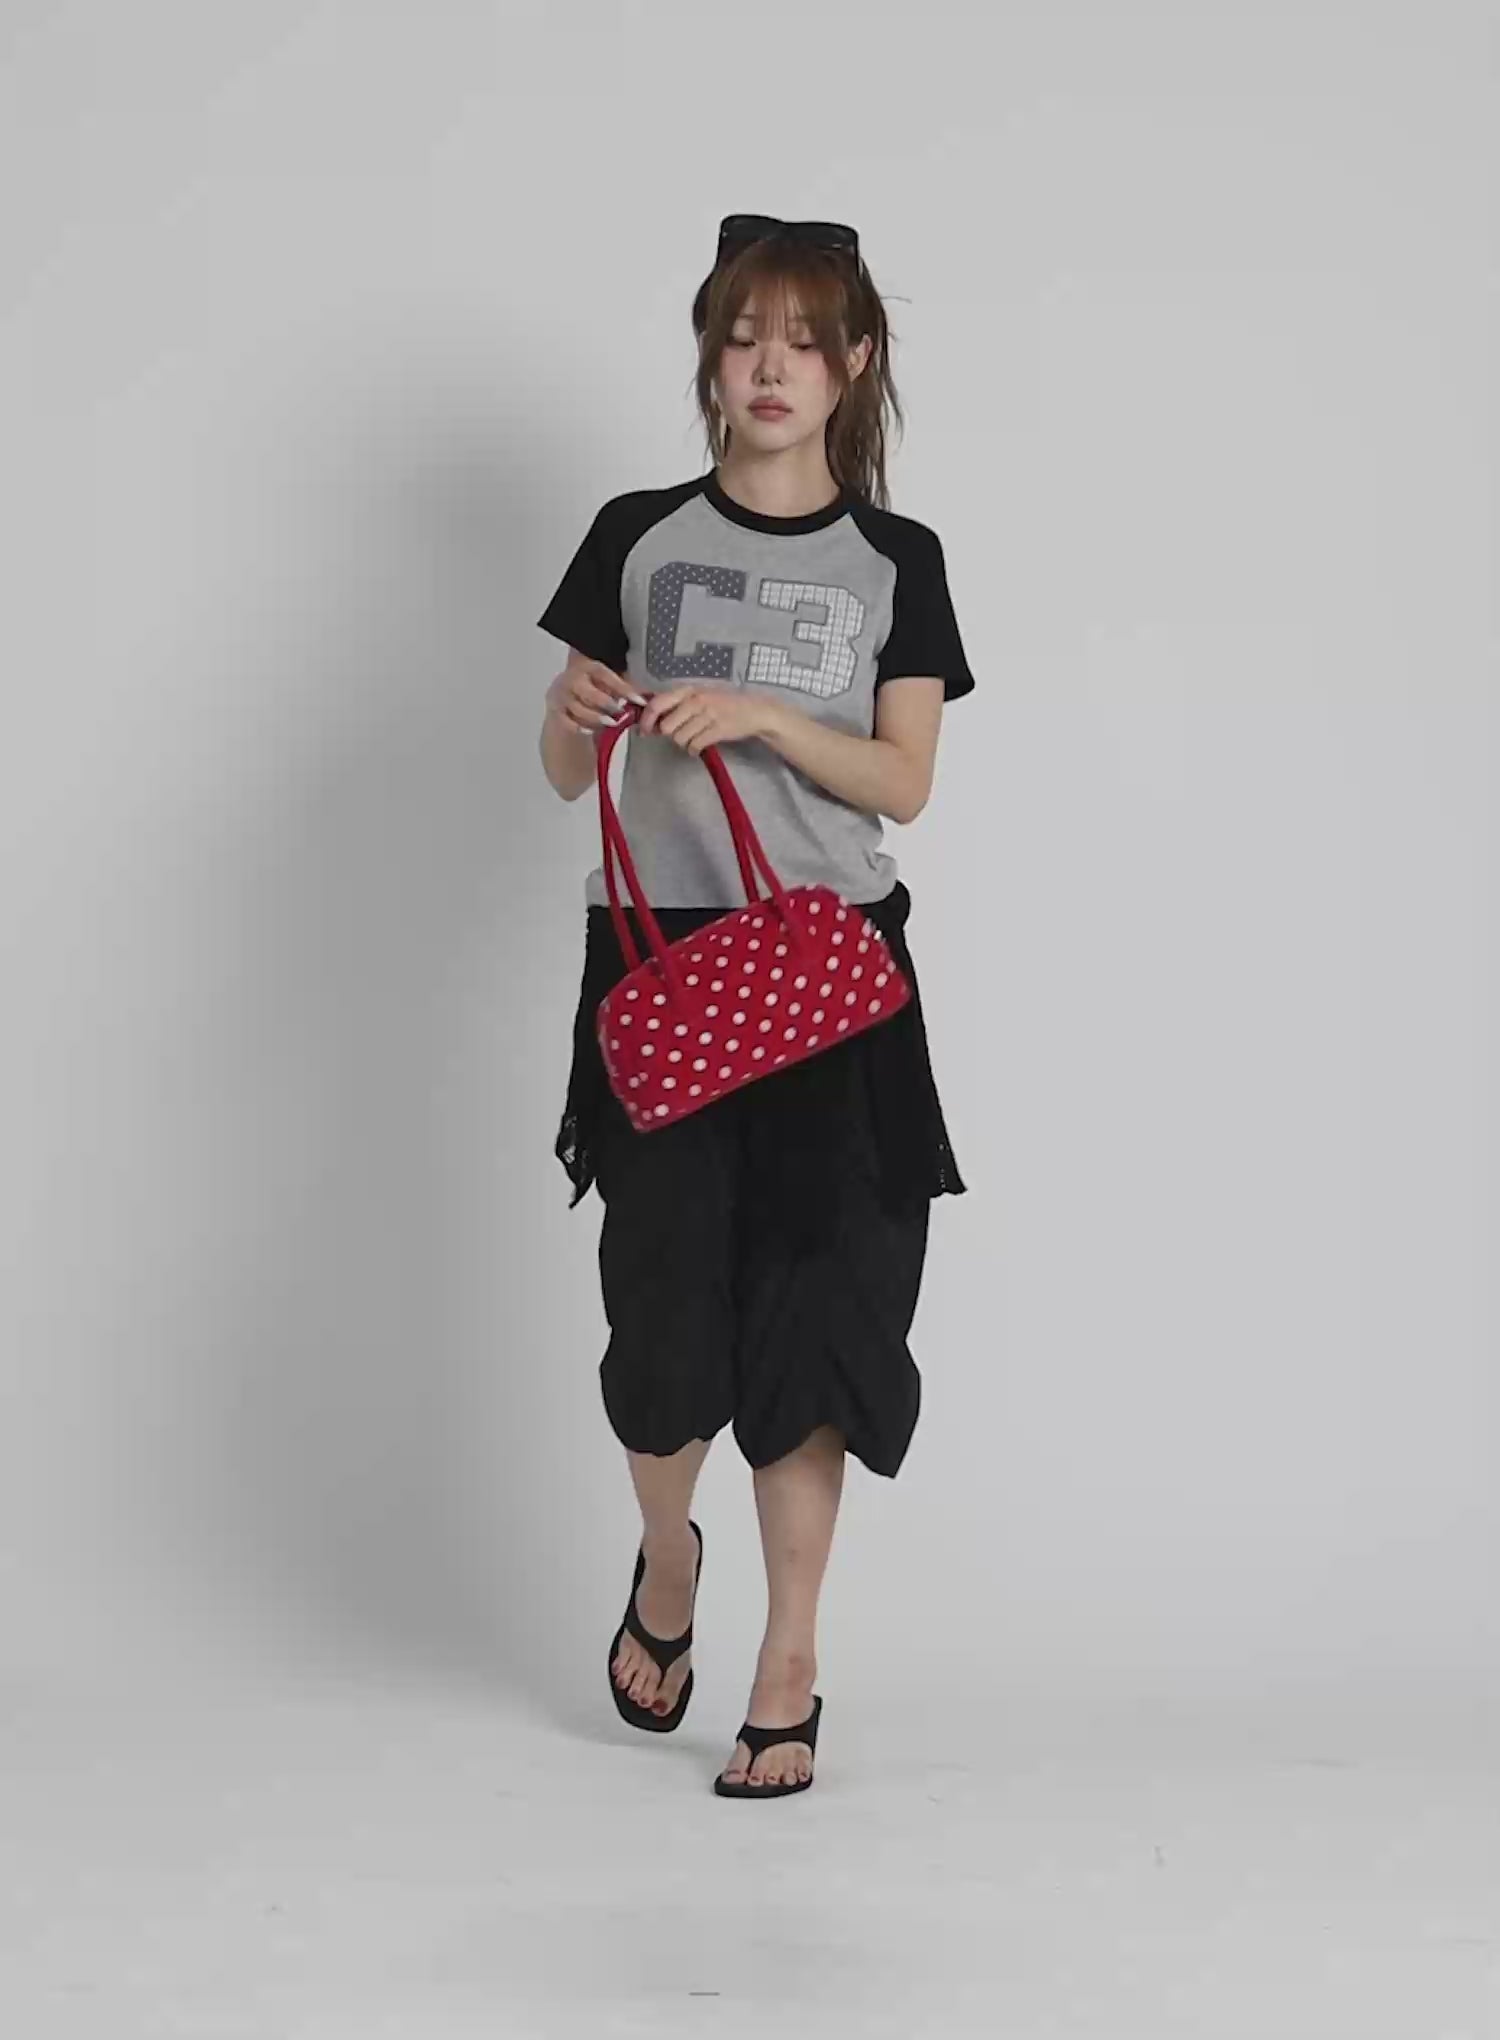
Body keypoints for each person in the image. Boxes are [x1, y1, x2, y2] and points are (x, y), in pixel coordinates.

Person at [535, 214, 975, 1799]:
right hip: (660, 969)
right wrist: (575, 706)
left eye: (802, 339)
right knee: (661, 1323)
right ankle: (670, 1557)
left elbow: (905, 784)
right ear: (711, 361)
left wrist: (769, 718)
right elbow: (564, 769)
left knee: (817, 1315)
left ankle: (789, 1661)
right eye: (742, 336)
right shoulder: (635, 535)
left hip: (830, 977)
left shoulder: (898, 561)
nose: (770, 366)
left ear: (854, 364)